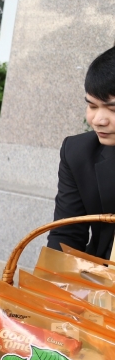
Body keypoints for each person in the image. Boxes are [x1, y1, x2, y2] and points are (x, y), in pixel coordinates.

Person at [47, 46, 115, 259]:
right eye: (92, 106)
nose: (98, 120)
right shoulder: (78, 153)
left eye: (113, 110)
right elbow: (66, 235)